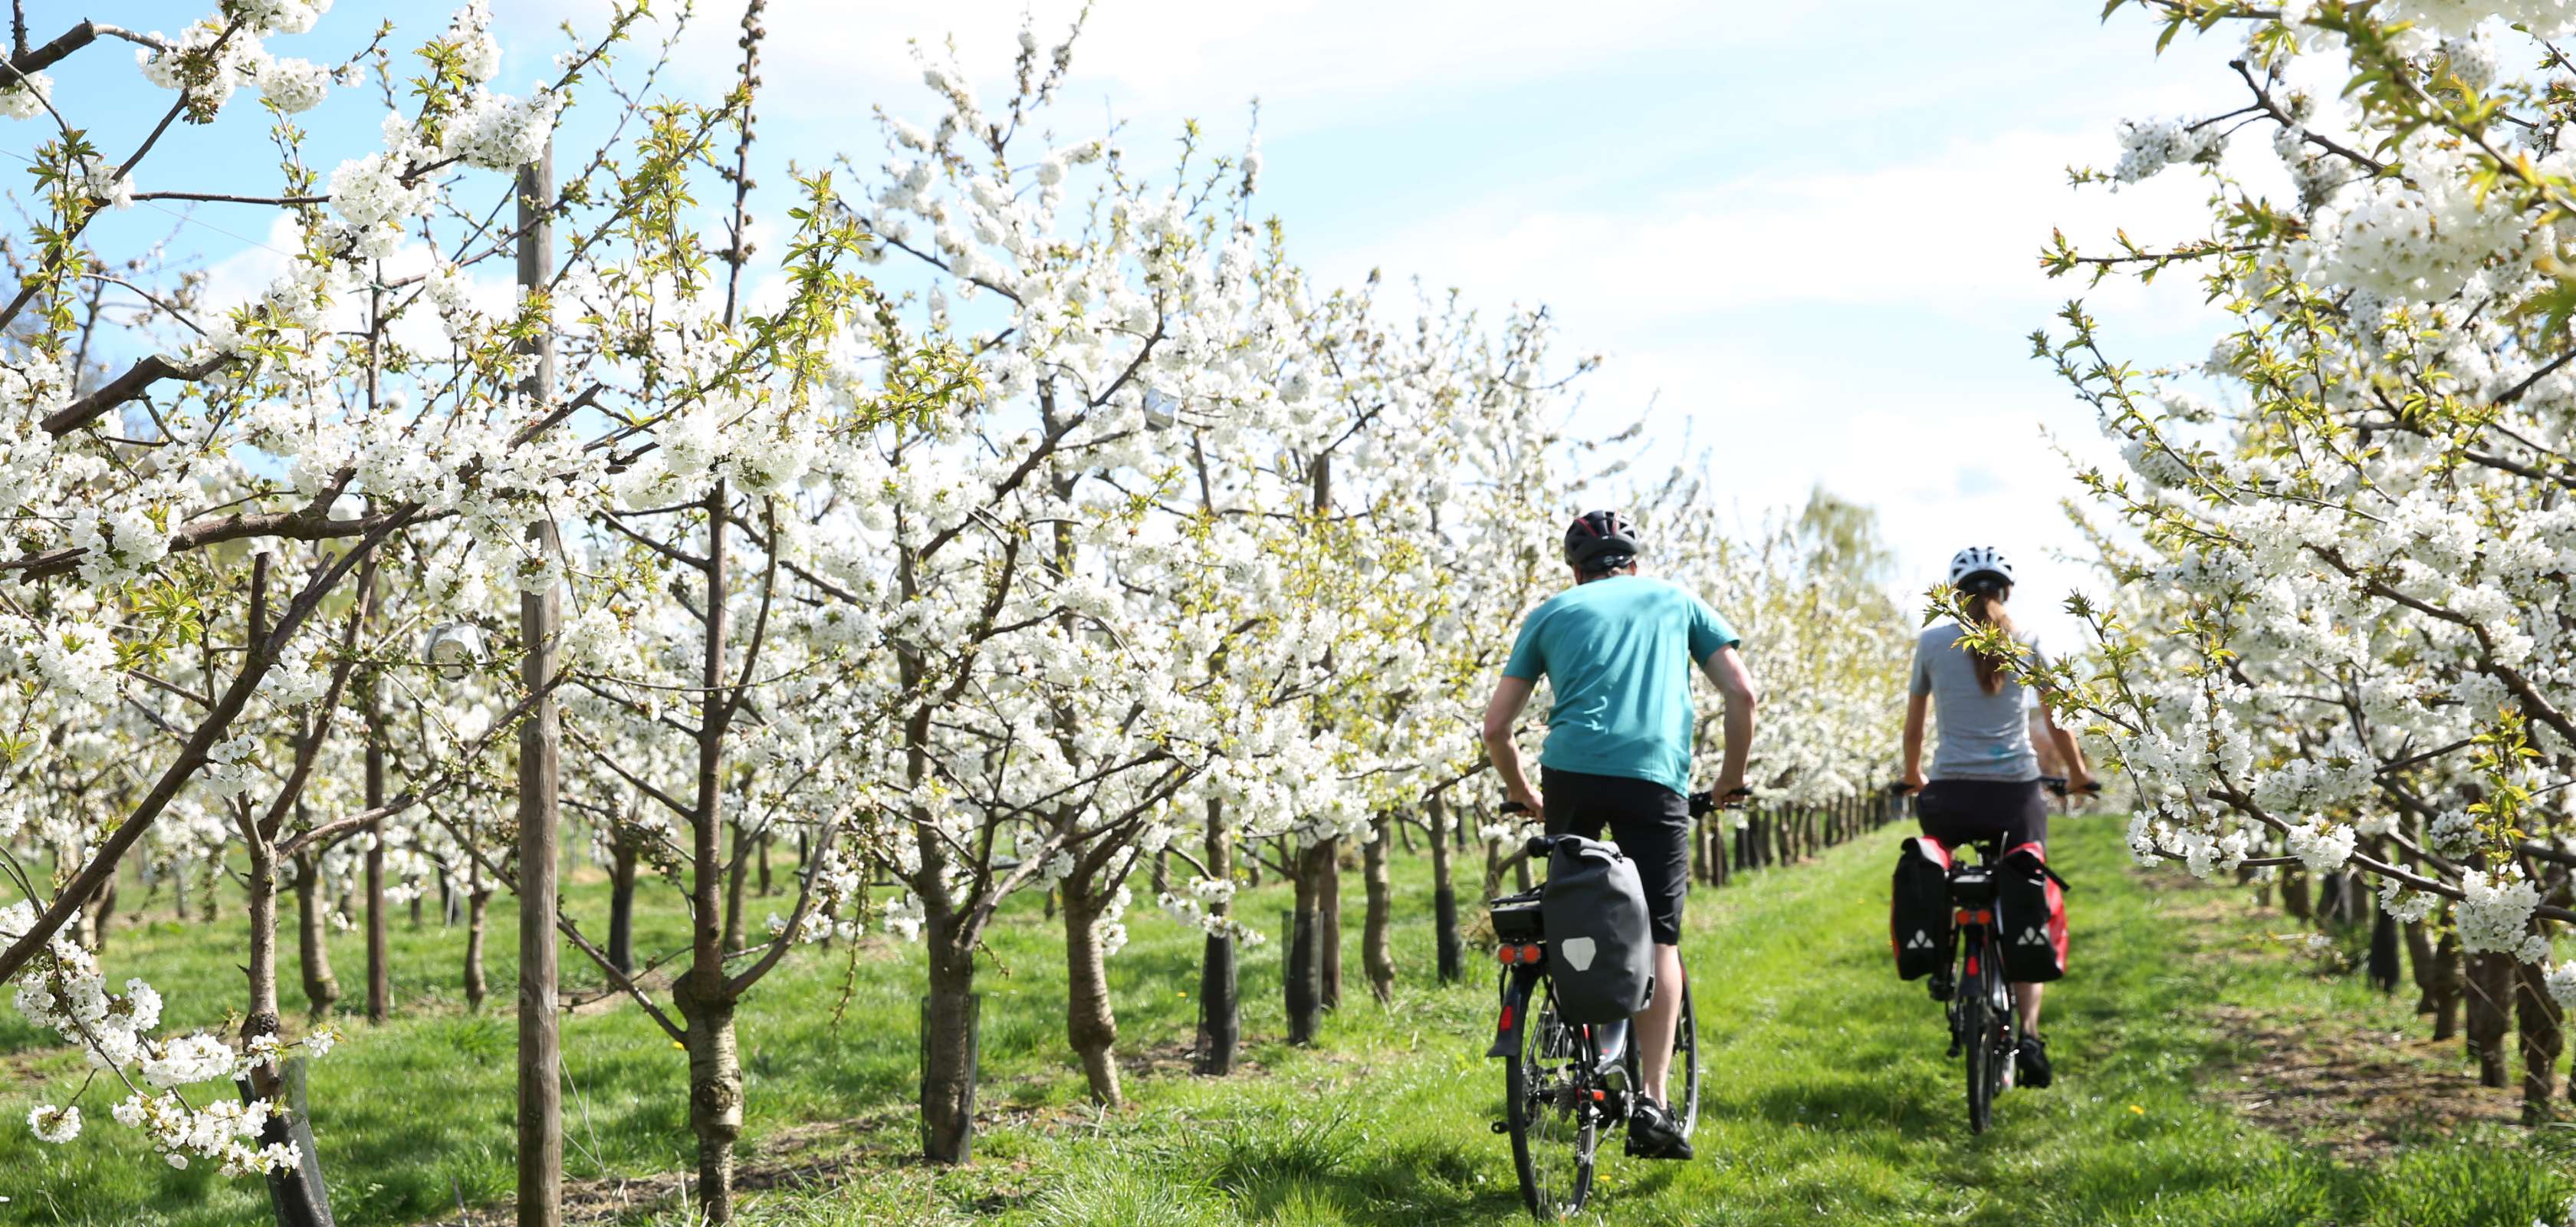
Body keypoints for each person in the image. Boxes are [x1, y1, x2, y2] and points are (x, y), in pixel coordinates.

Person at [1480, 508, 1758, 1162]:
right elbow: (1742, 694)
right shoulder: (1677, 601)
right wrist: (1728, 781)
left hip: (1570, 771)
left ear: (1576, 571)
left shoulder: (1552, 613)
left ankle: (1577, 1045)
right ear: (1633, 562)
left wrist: (1525, 794)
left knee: (1571, 908)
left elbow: (1496, 728)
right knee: (1660, 934)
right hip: (1654, 773)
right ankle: (1653, 1104)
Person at [1900, 544, 2091, 1090]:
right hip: (2015, 796)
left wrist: (1916, 776)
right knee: (2026, 894)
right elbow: (2058, 722)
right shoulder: (2028, 639)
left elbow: (1914, 729)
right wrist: (2077, 775)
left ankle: (1940, 963)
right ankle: (2028, 1034)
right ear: (2006, 592)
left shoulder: (1933, 642)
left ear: (1956, 594)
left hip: (1951, 797)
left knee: (1937, 868)